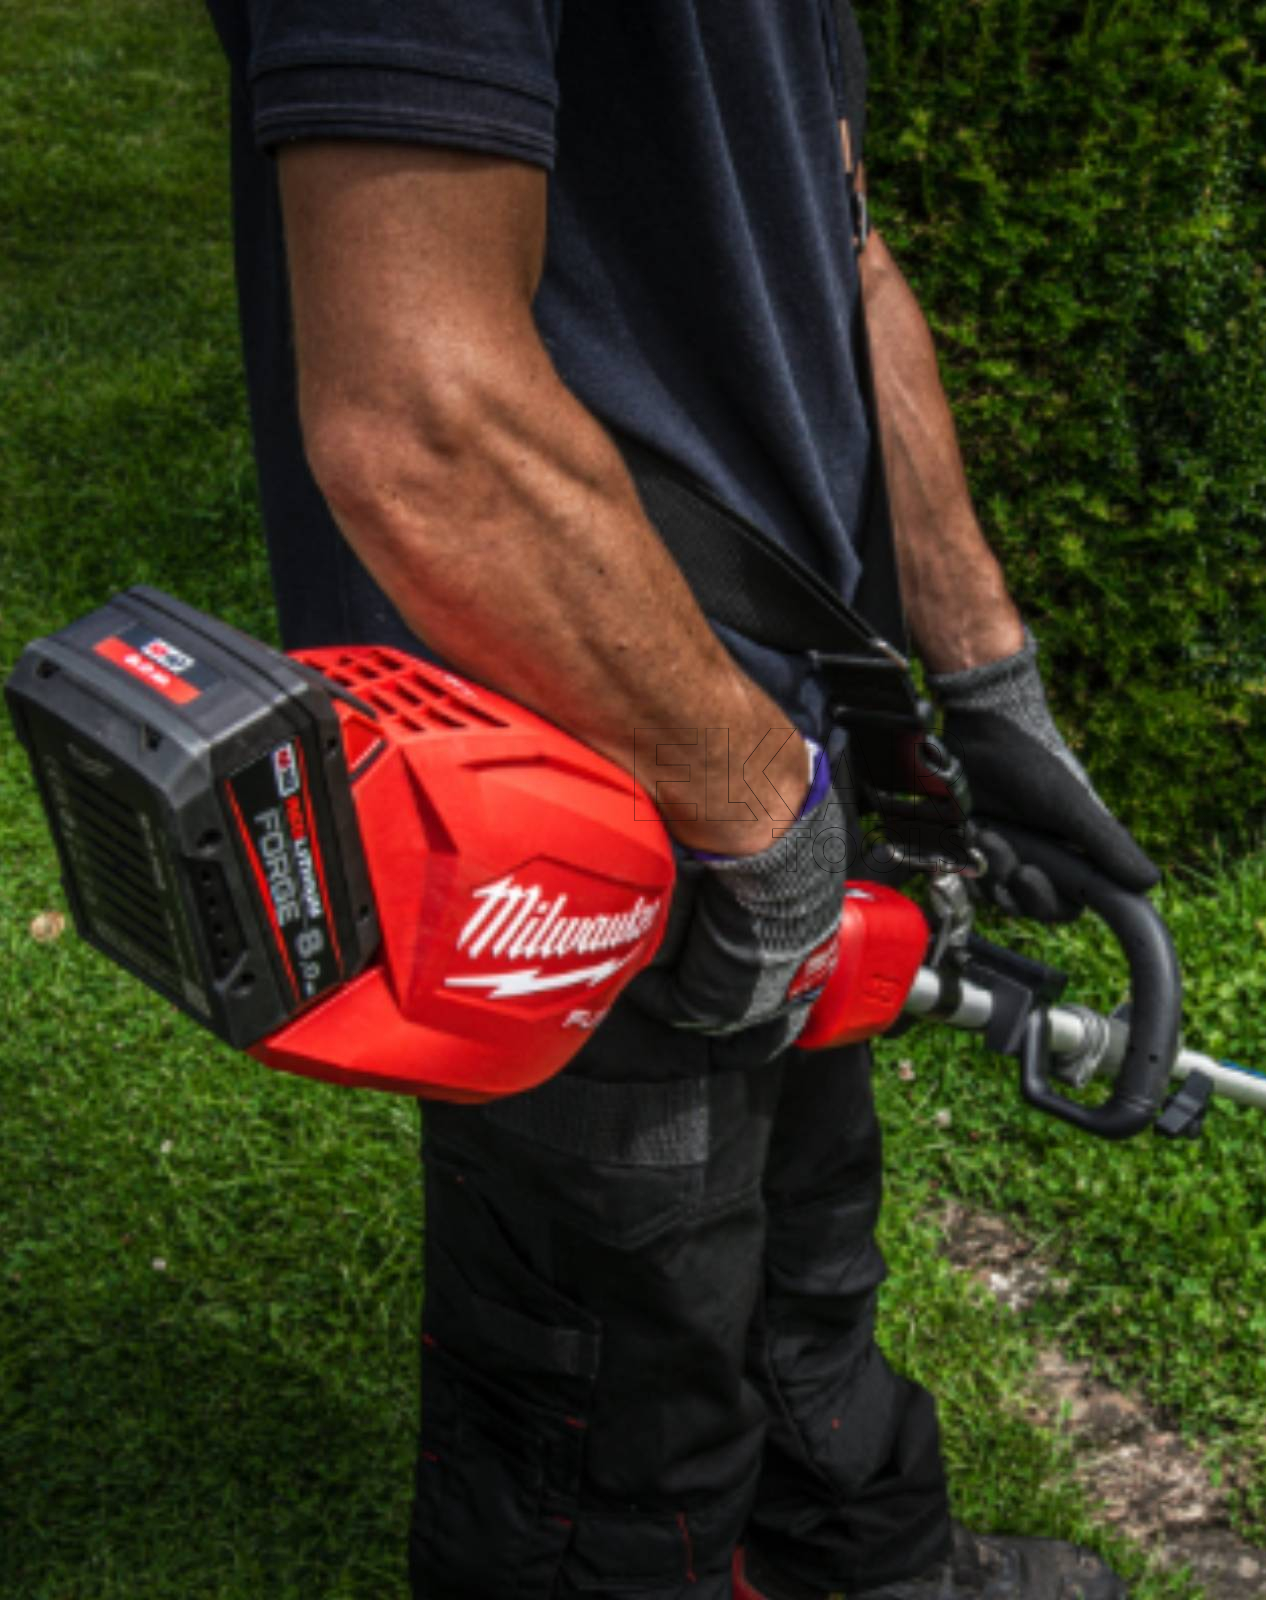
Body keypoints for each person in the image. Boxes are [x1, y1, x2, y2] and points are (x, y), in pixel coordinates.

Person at [204, 5, 1158, 1597]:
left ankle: (853, 1561)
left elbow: (839, 258)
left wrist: (981, 670)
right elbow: (421, 418)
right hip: (564, 767)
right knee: (607, 1388)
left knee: (802, 1245)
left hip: (774, 715)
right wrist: (751, 805)